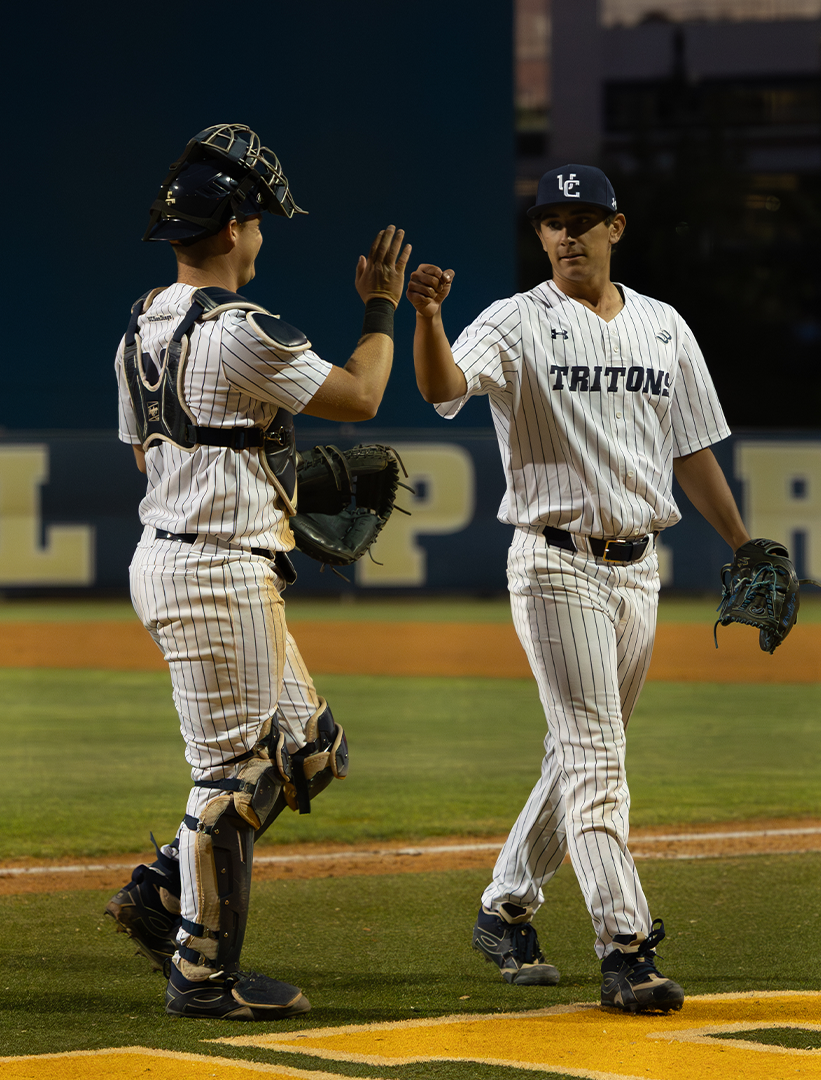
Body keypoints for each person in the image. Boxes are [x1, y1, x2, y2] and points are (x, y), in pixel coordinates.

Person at [406, 163, 751, 1014]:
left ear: (616, 228)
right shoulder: (515, 322)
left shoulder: (665, 329)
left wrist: (742, 544)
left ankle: (506, 905)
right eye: (552, 221)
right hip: (554, 561)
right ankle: (624, 947)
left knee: (579, 753)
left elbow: (693, 449)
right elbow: (444, 387)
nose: (566, 234)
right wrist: (427, 317)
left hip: (641, 570)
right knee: (599, 757)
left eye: (582, 219)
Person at [103, 123, 411, 1021]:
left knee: (311, 752)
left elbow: (146, 460)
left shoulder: (140, 323)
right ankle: (202, 975)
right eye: (260, 221)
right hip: (217, 575)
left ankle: (165, 894)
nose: (265, 234)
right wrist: (381, 309)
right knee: (234, 778)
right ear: (233, 228)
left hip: (180, 555)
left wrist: (254, 473)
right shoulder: (241, 327)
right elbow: (360, 396)